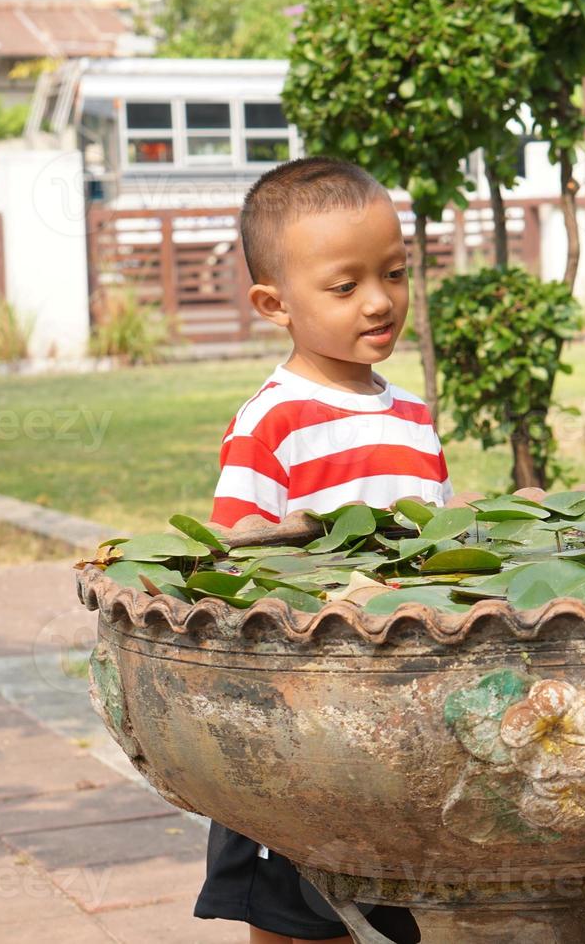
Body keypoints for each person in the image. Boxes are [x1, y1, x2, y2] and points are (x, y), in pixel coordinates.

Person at [197, 157, 445, 943]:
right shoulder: (275, 420)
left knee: (410, 911)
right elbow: (236, 563)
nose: (380, 300)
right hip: (305, 725)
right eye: (346, 287)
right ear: (275, 303)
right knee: (298, 918)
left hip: (403, 720)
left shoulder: (412, 416)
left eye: (395, 273)